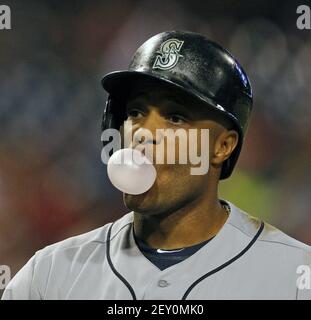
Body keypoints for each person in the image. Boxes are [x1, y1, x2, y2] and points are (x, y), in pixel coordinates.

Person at [2, 31, 311, 300]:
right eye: (135, 112)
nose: (144, 133)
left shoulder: (293, 277)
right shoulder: (51, 275)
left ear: (222, 146)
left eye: (175, 117)